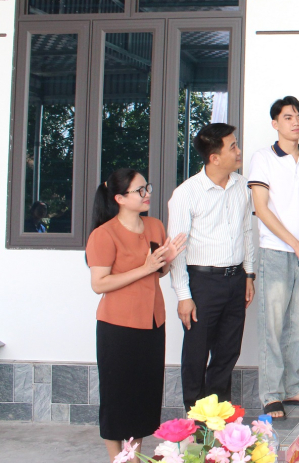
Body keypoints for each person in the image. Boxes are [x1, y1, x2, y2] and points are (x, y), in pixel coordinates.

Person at [85, 169, 186, 462]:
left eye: (147, 188)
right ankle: (117, 458)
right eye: (139, 190)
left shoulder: (154, 226)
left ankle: (135, 457)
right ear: (119, 198)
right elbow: (98, 284)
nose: (147, 194)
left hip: (152, 321)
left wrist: (167, 260)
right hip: (117, 326)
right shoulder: (103, 234)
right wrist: (145, 267)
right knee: (118, 396)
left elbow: (159, 271)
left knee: (144, 395)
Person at [167, 123, 257, 410]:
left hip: (235, 279)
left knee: (228, 352)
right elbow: (176, 248)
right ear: (214, 157)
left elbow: (247, 232)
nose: (239, 150)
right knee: (196, 352)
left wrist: (249, 274)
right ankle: (195, 420)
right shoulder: (187, 193)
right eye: (232, 147)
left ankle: (218, 417)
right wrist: (183, 295)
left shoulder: (242, 185)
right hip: (202, 283)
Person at [248, 96, 299, 420]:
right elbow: (262, 210)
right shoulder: (263, 158)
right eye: (288, 117)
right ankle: (270, 394)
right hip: (277, 253)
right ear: (275, 124)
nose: (296, 122)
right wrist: (297, 245)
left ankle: (293, 387)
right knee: (273, 327)